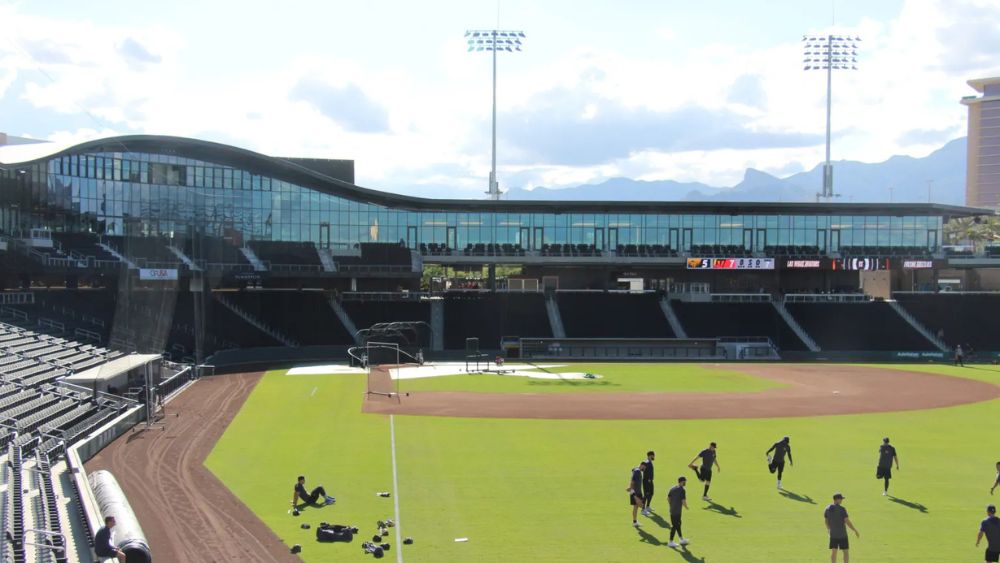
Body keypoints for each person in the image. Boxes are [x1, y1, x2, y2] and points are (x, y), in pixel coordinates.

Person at [824, 492, 859, 563]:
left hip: (833, 534)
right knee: (845, 551)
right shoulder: (842, 509)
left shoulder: (827, 509)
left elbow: (826, 521)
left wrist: (829, 529)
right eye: (841, 499)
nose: (841, 500)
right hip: (842, 535)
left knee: (834, 551)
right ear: (837, 499)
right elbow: (847, 521)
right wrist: (854, 530)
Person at [666, 476, 690, 548]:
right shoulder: (682, 490)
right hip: (677, 511)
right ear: (682, 482)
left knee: (678, 524)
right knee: (675, 525)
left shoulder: (672, 488)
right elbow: (683, 501)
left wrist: (671, 505)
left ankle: (681, 539)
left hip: (673, 510)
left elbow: (668, 498)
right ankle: (670, 541)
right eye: (684, 481)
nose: (685, 483)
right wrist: (686, 507)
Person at [627, 461, 648, 527]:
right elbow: (633, 480)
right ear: (642, 465)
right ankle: (635, 521)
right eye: (644, 467)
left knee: (636, 507)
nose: (644, 469)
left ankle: (634, 522)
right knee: (641, 505)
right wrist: (631, 489)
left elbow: (632, 470)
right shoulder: (637, 471)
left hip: (636, 491)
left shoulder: (636, 470)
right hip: (636, 492)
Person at [641, 451, 655, 516]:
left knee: (651, 493)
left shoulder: (649, 462)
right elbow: (641, 469)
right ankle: (643, 509)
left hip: (650, 481)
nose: (654, 457)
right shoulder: (646, 462)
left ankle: (647, 507)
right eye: (653, 455)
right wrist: (647, 478)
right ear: (650, 456)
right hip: (646, 481)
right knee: (646, 495)